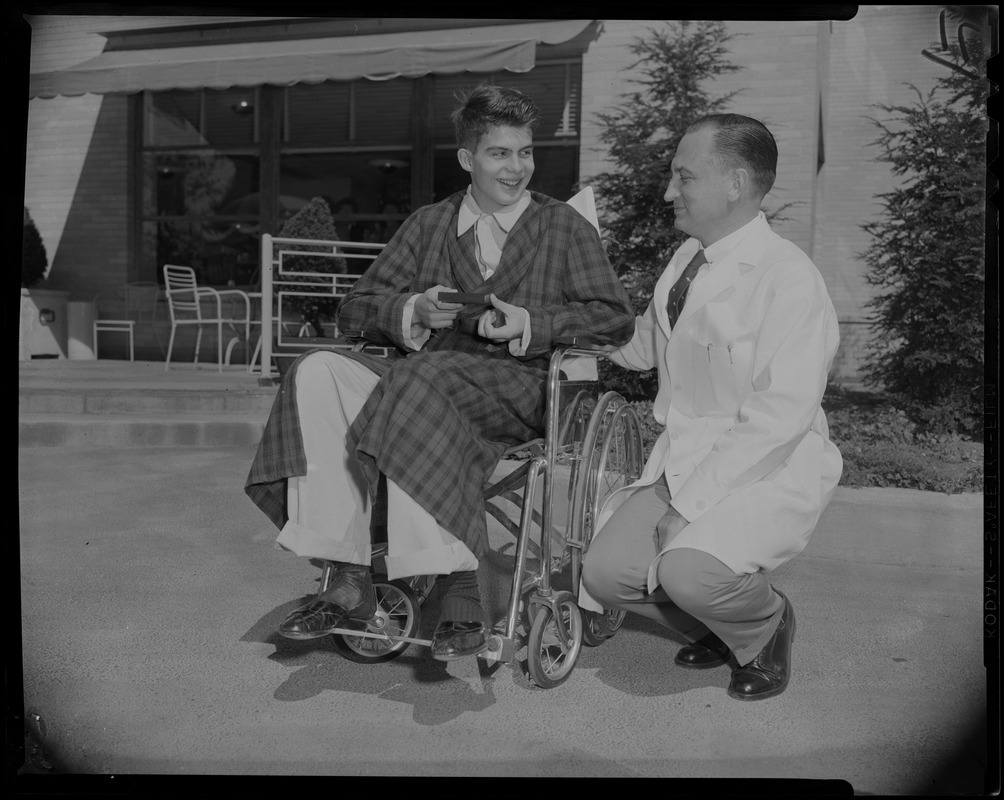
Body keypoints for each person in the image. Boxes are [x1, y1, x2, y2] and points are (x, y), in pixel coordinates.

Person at [246, 84, 635, 661]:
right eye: (500, 153)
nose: (517, 167)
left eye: (525, 152)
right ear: (467, 159)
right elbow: (354, 308)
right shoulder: (430, 224)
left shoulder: (562, 227)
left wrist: (531, 321)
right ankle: (347, 571)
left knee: (416, 380)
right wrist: (410, 312)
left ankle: (456, 585)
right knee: (317, 370)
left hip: (517, 389)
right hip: (420, 378)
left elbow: (614, 320)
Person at [581, 113, 842, 701]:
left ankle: (765, 625)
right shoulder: (686, 261)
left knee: (685, 570)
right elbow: (643, 347)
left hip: (762, 464)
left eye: (683, 176)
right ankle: (721, 629)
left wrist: (690, 502)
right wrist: (563, 316)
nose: (670, 191)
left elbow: (780, 417)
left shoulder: (789, 279)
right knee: (605, 575)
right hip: (685, 456)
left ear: (735, 184)